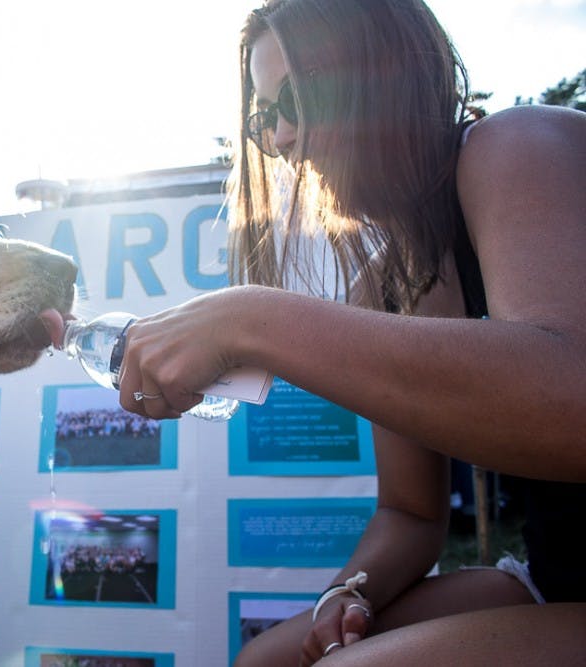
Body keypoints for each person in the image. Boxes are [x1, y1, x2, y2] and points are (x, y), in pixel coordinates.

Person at [114, 0, 586, 664]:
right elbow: (413, 515)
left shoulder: (516, 146)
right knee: (264, 661)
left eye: (299, 97)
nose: (280, 137)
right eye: (264, 115)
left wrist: (253, 318)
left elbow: (571, 401)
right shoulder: (396, 278)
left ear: (388, 75)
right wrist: (346, 590)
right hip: (558, 577)